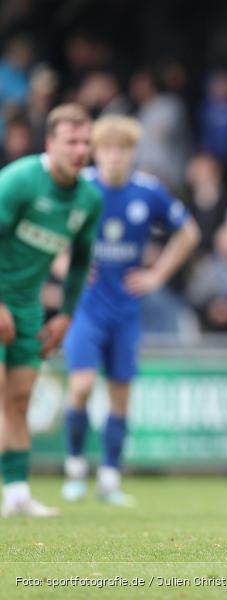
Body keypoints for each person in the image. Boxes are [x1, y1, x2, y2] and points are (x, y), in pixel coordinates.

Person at [60, 116, 200, 506]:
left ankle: (109, 478)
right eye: (107, 148)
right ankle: (74, 468)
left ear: (132, 152)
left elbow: (189, 232)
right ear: (96, 152)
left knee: (120, 395)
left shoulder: (148, 191)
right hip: (86, 308)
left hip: (125, 310)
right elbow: (47, 226)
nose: (115, 156)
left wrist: (157, 275)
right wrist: (62, 266)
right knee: (82, 386)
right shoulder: (81, 187)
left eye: (123, 149)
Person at [0, 104, 103, 517]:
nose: (80, 150)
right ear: (50, 144)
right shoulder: (20, 181)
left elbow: (80, 261)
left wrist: (65, 315)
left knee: (19, 400)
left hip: (27, 308)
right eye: (71, 142)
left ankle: (17, 493)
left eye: (85, 142)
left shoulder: (88, 199)